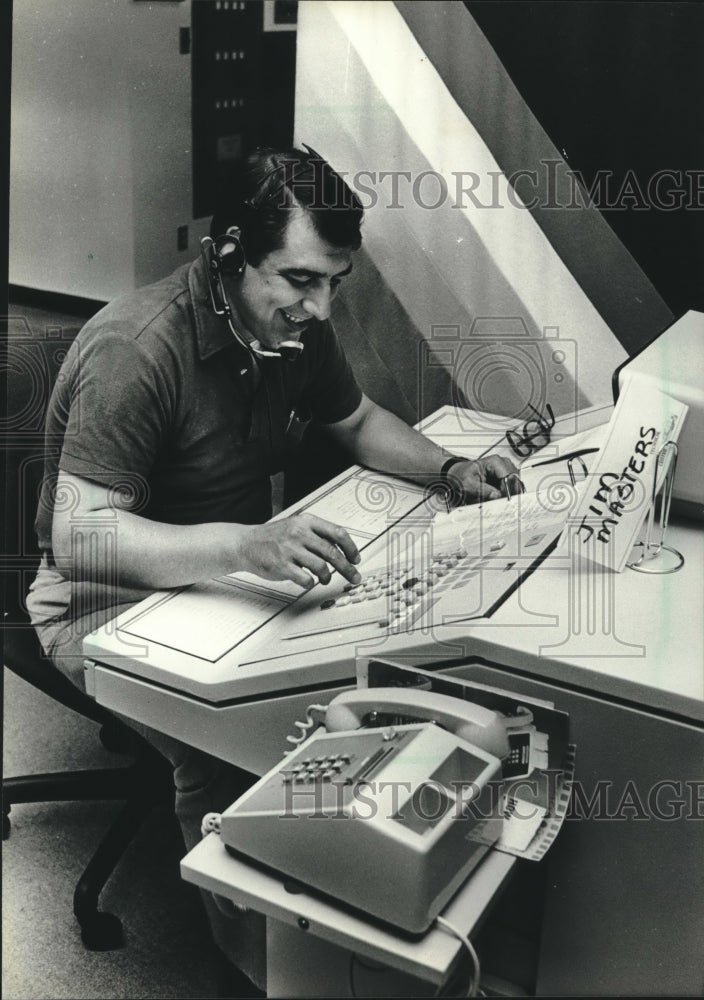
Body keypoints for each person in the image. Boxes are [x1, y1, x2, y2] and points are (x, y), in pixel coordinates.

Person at [26, 146, 519, 995]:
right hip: (99, 603)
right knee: (232, 750)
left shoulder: (290, 328)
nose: (319, 307)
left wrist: (449, 469)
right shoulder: (136, 349)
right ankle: (265, 972)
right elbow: (82, 541)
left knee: (346, 682)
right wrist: (244, 547)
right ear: (228, 254)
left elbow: (356, 420)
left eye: (334, 283)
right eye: (299, 280)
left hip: (220, 582)